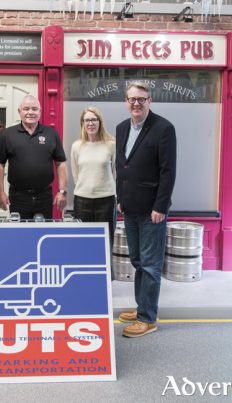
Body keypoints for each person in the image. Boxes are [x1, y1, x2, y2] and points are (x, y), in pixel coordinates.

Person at [116, 81, 176, 337]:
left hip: (152, 210)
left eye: (141, 99)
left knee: (151, 265)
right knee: (138, 261)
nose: (136, 103)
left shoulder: (163, 128)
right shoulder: (121, 128)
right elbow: (122, 165)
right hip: (129, 207)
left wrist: (160, 205)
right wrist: (120, 197)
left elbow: (168, 171)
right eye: (132, 99)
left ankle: (148, 318)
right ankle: (143, 306)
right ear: (126, 102)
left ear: (150, 100)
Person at [0, 94, 67, 219]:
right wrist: (0, 192)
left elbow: (60, 163)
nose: (30, 112)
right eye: (26, 109)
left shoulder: (51, 133)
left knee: (44, 234)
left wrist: (62, 191)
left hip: (44, 196)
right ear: (19, 111)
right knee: (19, 235)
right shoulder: (7, 134)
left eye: (34, 109)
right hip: (18, 197)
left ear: (40, 111)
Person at [71, 106, 116, 278]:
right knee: (82, 241)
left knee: (105, 241)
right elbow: (76, 174)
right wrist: (86, 188)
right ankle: (83, 276)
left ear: (100, 122)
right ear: (82, 123)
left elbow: (114, 171)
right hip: (82, 200)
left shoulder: (111, 144)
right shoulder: (77, 146)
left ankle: (104, 279)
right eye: (87, 120)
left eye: (94, 119)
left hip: (106, 199)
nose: (91, 123)